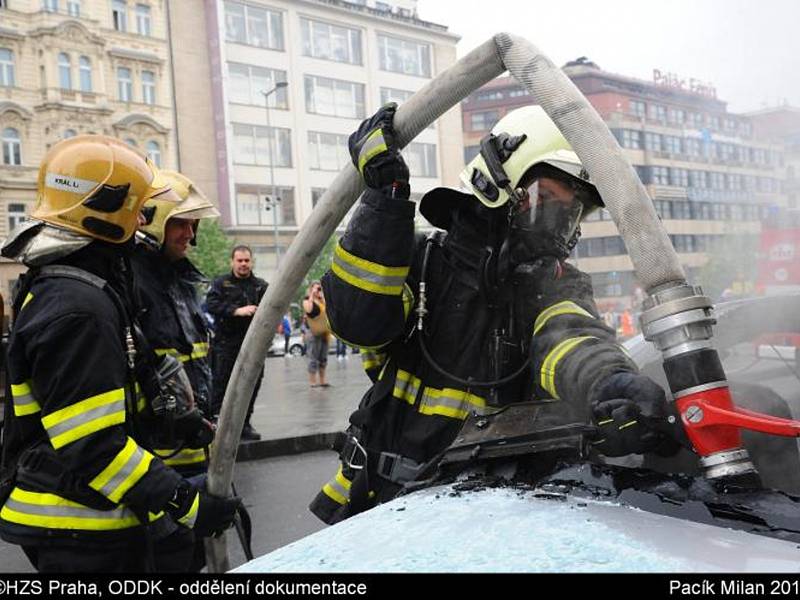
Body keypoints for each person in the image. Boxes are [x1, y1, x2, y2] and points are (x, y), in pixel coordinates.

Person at [309, 104, 679, 524]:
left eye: (573, 209)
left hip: (489, 519)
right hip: (379, 506)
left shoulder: (557, 284)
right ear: (499, 182)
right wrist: (385, 199)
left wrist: (610, 384)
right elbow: (358, 319)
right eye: (548, 197)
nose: (561, 221)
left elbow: (572, 342)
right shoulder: (421, 261)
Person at [0, 135, 240, 572]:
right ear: (108, 210)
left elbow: (123, 384)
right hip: (82, 527)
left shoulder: (85, 289)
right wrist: (184, 501)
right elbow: (92, 445)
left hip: (94, 520)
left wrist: (176, 422)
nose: (144, 221)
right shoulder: (78, 309)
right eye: (140, 209)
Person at [131, 169, 220, 477]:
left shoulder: (179, 280)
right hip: (157, 449)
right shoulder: (131, 279)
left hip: (192, 439)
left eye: (193, 224)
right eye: (180, 223)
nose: (190, 234)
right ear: (154, 221)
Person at [206, 245, 268, 441]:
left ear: (252, 262)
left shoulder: (261, 286)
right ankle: (219, 424)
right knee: (221, 384)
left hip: (253, 346)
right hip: (226, 344)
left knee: (251, 385)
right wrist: (236, 311)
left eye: (247, 260)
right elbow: (211, 304)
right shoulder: (221, 283)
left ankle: (244, 424)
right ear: (232, 261)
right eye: (239, 260)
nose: (243, 264)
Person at [303, 281, 330, 387]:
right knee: (313, 357)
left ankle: (322, 380)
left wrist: (322, 297)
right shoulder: (307, 300)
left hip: (324, 332)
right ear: (311, 289)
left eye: (319, 288)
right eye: (316, 288)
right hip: (313, 333)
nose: (318, 290)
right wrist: (311, 295)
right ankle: (313, 381)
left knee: (323, 358)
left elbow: (329, 310)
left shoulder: (322, 301)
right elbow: (309, 310)